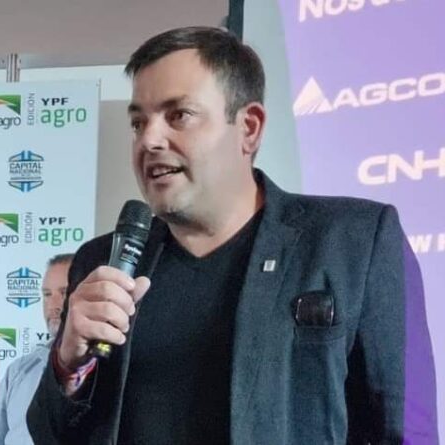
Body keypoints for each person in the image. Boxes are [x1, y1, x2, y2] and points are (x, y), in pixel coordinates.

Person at [27, 26, 438, 444]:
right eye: (138, 122)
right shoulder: (102, 263)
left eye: (179, 115)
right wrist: (67, 363)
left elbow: (406, 429)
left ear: (249, 128)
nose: (149, 140)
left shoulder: (355, 241)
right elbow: (49, 434)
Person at [0, 253, 73, 445]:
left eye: (64, 293)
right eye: (47, 295)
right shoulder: (20, 370)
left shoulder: (112, 372)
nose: (53, 306)